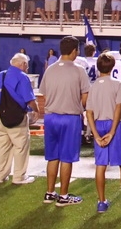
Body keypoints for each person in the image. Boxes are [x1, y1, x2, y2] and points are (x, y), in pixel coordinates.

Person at [86, 52, 121, 215]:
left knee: (100, 165)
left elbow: (89, 112)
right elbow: (119, 109)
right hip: (116, 126)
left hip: (99, 123)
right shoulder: (118, 84)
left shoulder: (93, 86)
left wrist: (96, 135)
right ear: (112, 67)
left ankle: (101, 202)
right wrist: (112, 132)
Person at [40, 36, 91, 207]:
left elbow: (45, 94)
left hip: (50, 116)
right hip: (70, 117)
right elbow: (85, 98)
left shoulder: (50, 69)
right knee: (67, 157)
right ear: (75, 50)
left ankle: (49, 193)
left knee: (52, 157)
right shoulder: (79, 70)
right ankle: (63, 196)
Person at [0, 52, 39, 185]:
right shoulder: (22, 77)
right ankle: (19, 176)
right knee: (20, 146)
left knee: (2, 147)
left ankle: (0, 175)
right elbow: (29, 99)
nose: (27, 68)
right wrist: (36, 110)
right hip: (17, 116)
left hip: (1, 115)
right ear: (22, 64)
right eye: (27, 65)